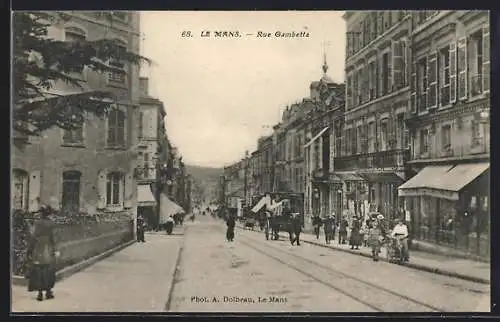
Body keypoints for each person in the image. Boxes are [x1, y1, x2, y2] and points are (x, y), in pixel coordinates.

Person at [27, 205, 58, 301]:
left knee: (39, 270)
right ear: (49, 213)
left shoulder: (38, 223)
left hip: (38, 248)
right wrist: (55, 249)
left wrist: (30, 249)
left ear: (42, 213)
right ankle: (48, 291)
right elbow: (54, 238)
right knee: (48, 270)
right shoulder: (51, 223)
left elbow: (33, 237)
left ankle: (40, 293)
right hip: (48, 248)